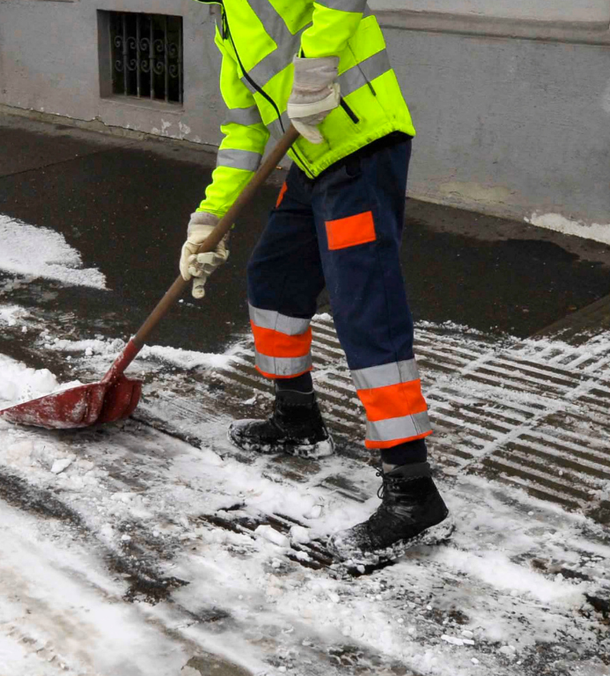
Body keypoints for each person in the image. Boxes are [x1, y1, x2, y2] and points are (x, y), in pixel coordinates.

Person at [179, 0, 450, 557]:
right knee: (274, 280)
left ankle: (412, 489)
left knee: (364, 307)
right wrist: (209, 220)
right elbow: (244, 130)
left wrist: (318, 65)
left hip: (359, 149)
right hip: (310, 162)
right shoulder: (228, 24)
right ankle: (298, 420)